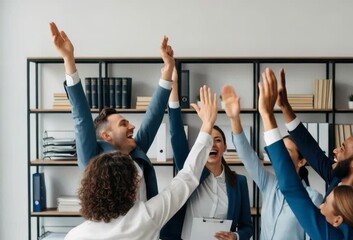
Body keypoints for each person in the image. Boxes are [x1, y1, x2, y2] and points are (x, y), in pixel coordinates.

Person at [64, 85, 219, 240]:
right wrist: (207, 125)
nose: (131, 126)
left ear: (89, 190)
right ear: (132, 188)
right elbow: (187, 176)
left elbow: (150, 121)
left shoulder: (74, 236)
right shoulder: (146, 218)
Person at [50, 22, 175, 201]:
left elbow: (153, 117)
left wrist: (168, 69)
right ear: (107, 136)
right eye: (123, 124)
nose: (132, 126)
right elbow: (81, 118)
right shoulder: (94, 159)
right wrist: (69, 60)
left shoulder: (135, 152)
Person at [258, 68, 353, 240]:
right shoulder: (337, 176)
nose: (335, 150)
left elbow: (293, 190)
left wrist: (266, 115)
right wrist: (285, 107)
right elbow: (312, 151)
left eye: (343, 148)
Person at [221, 85, 323, 240]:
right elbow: (247, 156)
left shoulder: (314, 198)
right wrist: (234, 119)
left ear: (302, 161)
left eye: (286, 153)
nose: (279, 157)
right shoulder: (269, 184)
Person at [165, 69, 252, 240]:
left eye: (218, 140)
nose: (212, 143)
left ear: (225, 147)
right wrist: (174, 87)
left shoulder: (239, 182)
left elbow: (247, 226)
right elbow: (176, 134)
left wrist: (235, 236)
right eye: (208, 140)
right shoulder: (190, 172)